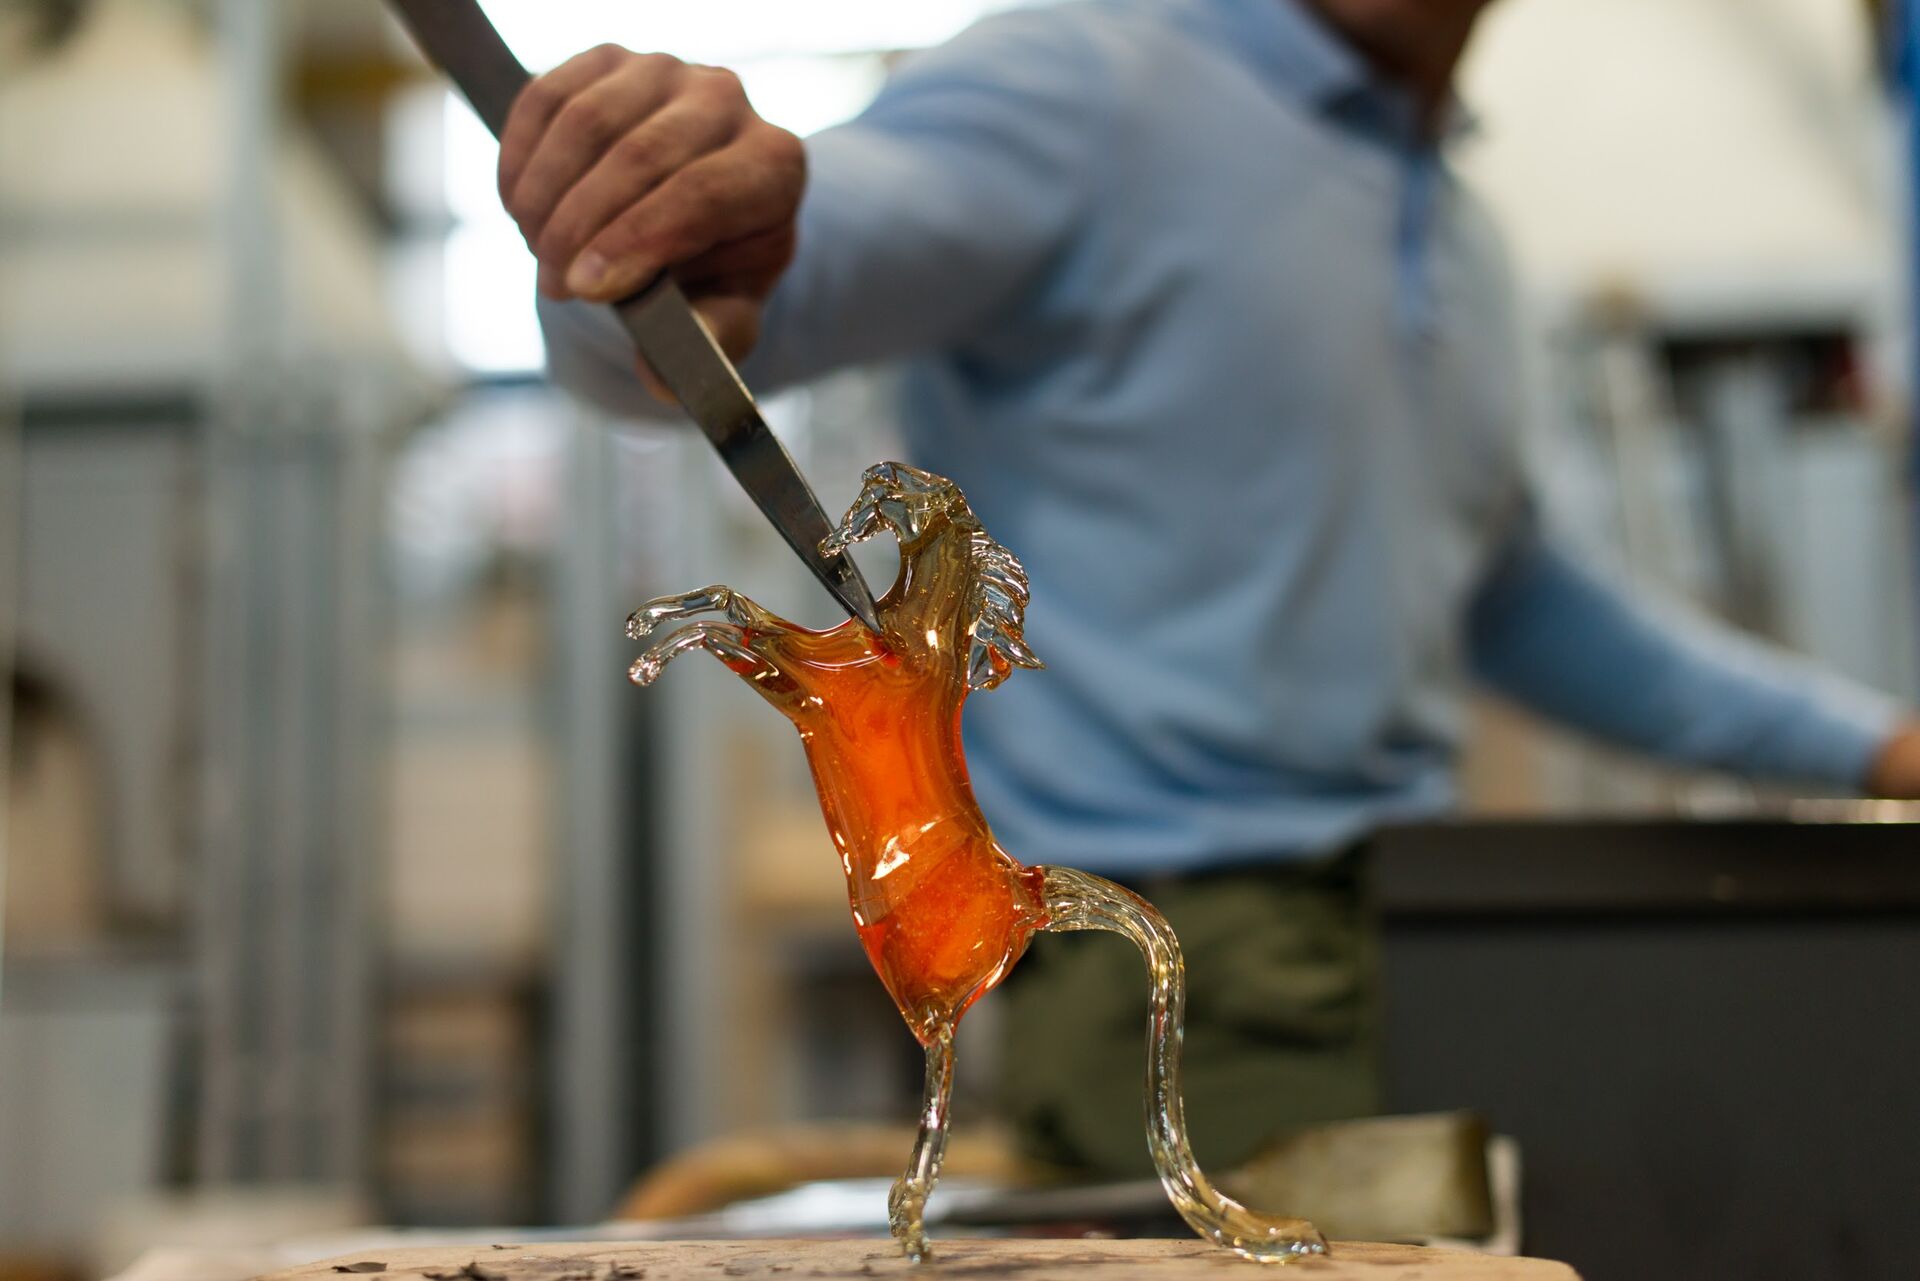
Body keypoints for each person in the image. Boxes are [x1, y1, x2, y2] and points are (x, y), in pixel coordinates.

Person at [504, 0, 1920, 1177]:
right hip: (1181, 970)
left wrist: (1872, 746)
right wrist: (655, 228)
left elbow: (1504, 588)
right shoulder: (1086, 87)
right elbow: (719, 298)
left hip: (1432, 920)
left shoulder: (1465, 237)